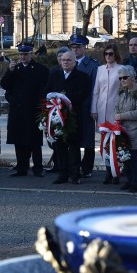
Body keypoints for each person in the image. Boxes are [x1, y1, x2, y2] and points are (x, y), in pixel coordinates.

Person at [0, 44, 50, 177]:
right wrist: (9, 71)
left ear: (31, 54)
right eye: (21, 54)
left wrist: (42, 107)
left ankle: (38, 168)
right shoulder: (15, 69)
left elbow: (44, 89)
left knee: (34, 141)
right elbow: (5, 85)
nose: (23, 57)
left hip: (33, 109)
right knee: (19, 140)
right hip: (18, 110)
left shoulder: (40, 69)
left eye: (26, 54)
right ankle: (22, 166)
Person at [43, 51, 91, 185]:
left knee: (74, 146)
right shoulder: (54, 75)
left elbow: (84, 94)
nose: (65, 62)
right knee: (59, 146)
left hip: (74, 116)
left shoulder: (82, 76)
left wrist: (65, 99)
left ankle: (75, 174)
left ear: (75, 62)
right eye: (63, 60)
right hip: (57, 117)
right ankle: (62, 174)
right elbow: (46, 91)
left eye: (69, 60)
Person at [114, 65, 137, 192]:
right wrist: (117, 115)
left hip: (136, 129)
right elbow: (117, 107)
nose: (122, 80)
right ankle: (129, 180)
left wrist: (121, 115)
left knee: (133, 157)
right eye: (120, 78)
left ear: (132, 77)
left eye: (125, 77)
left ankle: (136, 183)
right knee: (126, 156)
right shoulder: (122, 91)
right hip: (123, 129)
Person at [91, 43, 122, 184]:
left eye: (111, 53)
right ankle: (108, 171)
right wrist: (94, 109)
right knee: (104, 143)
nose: (108, 56)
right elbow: (96, 91)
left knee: (115, 143)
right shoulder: (100, 69)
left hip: (116, 110)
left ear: (115, 54)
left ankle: (116, 172)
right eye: (106, 54)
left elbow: (124, 90)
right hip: (102, 109)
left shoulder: (122, 69)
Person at [69, 35, 98, 178]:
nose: (75, 50)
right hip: (71, 108)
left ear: (84, 48)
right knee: (72, 139)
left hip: (86, 107)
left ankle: (87, 168)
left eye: (78, 47)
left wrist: (93, 108)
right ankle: (74, 166)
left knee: (88, 139)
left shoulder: (92, 65)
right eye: (73, 47)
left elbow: (95, 89)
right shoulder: (68, 62)